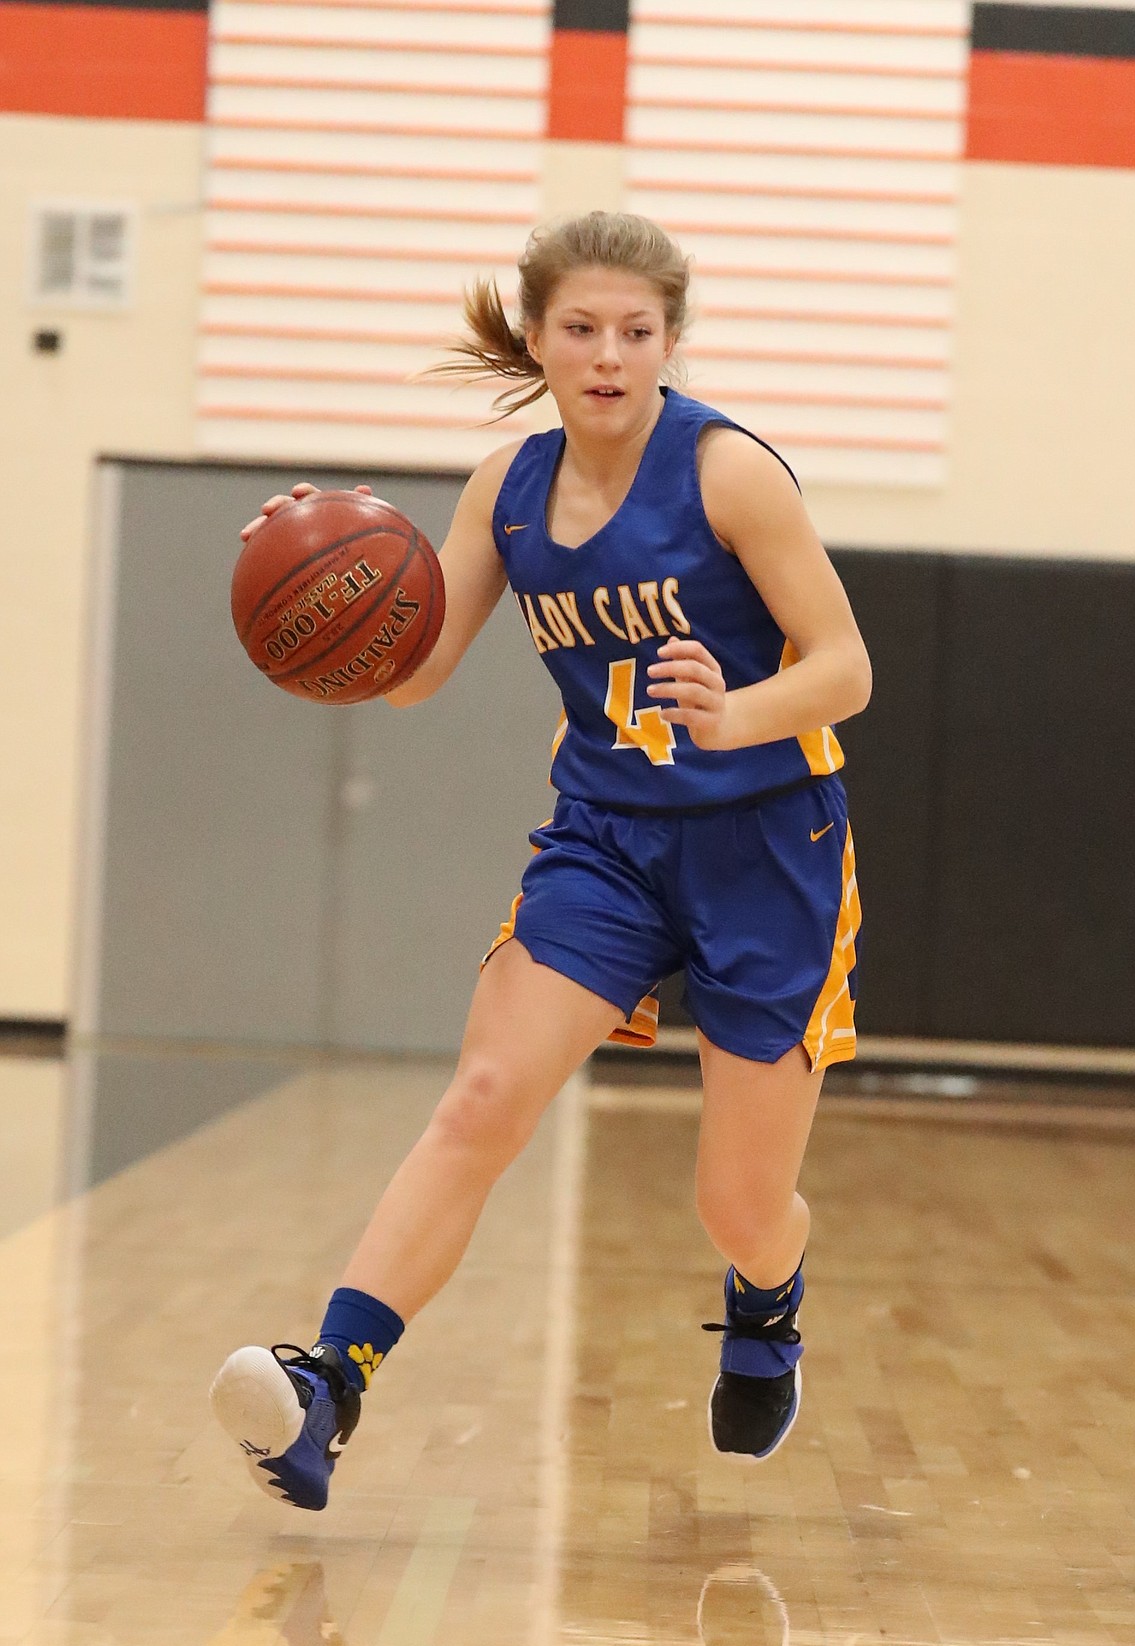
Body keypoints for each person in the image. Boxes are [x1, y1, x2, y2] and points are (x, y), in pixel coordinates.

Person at [210, 211, 871, 1511]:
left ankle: (766, 1301)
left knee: (740, 1203)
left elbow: (845, 666)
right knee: (481, 1097)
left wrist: (733, 711)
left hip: (766, 848)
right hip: (606, 843)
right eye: (582, 327)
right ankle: (327, 1387)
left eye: (636, 330)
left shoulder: (728, 473)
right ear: (538, 336)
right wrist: (305, 578)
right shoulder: (505, 490)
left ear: (670, 340)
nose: (609, 352)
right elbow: (413, 677)